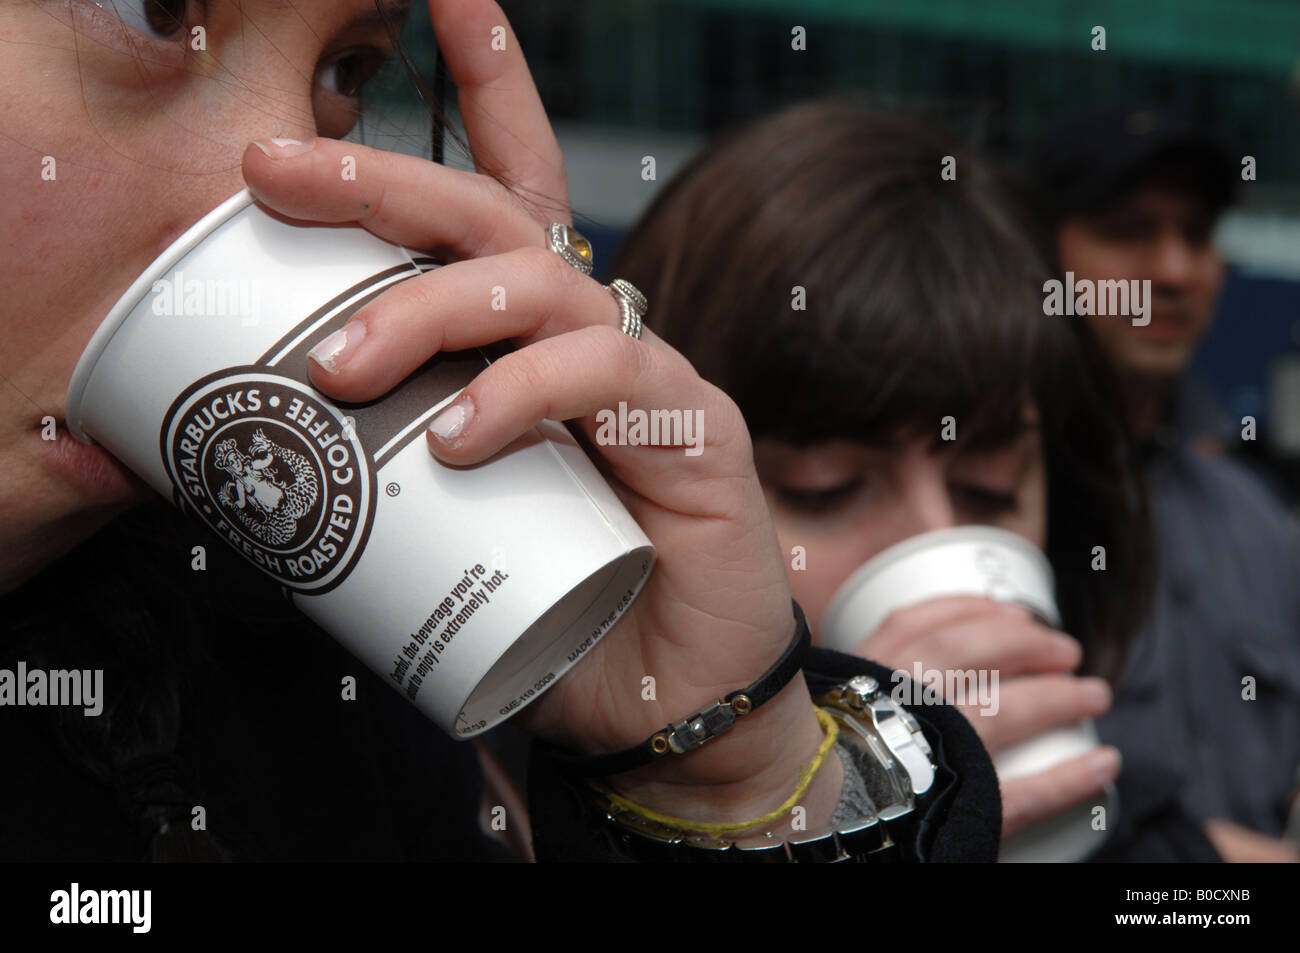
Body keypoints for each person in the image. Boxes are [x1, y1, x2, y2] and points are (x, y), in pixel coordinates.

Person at [0, 1, 998, 862]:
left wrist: (716, 769)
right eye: (153, 7)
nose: (287, 192)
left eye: (344, 70)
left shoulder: (286, 689)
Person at [612, 99, 1220, 860]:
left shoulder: (1157, 842)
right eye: (825, 488)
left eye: (991, 489)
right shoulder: (511, 802)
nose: (941, 542)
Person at [1033, 104, 1300, 863]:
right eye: (1128, 230)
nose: (1174, 271)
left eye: (1198, 234)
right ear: (1043, 253)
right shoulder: (987, 509)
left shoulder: (1255, 514)